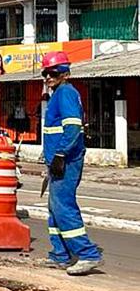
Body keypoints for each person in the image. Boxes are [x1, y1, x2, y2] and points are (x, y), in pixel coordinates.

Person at [39, 52, 102, 275]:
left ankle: (87, 254)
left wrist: (61, 154)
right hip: (59, 160)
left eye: (52, 73)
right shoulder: (58, 93)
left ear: (65, 73)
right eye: (45, 73)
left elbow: (73, 127)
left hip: (67, 160)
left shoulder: (65, 92)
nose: (48, 77)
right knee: (54, 209)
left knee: (63, 207)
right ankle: (60, 255)